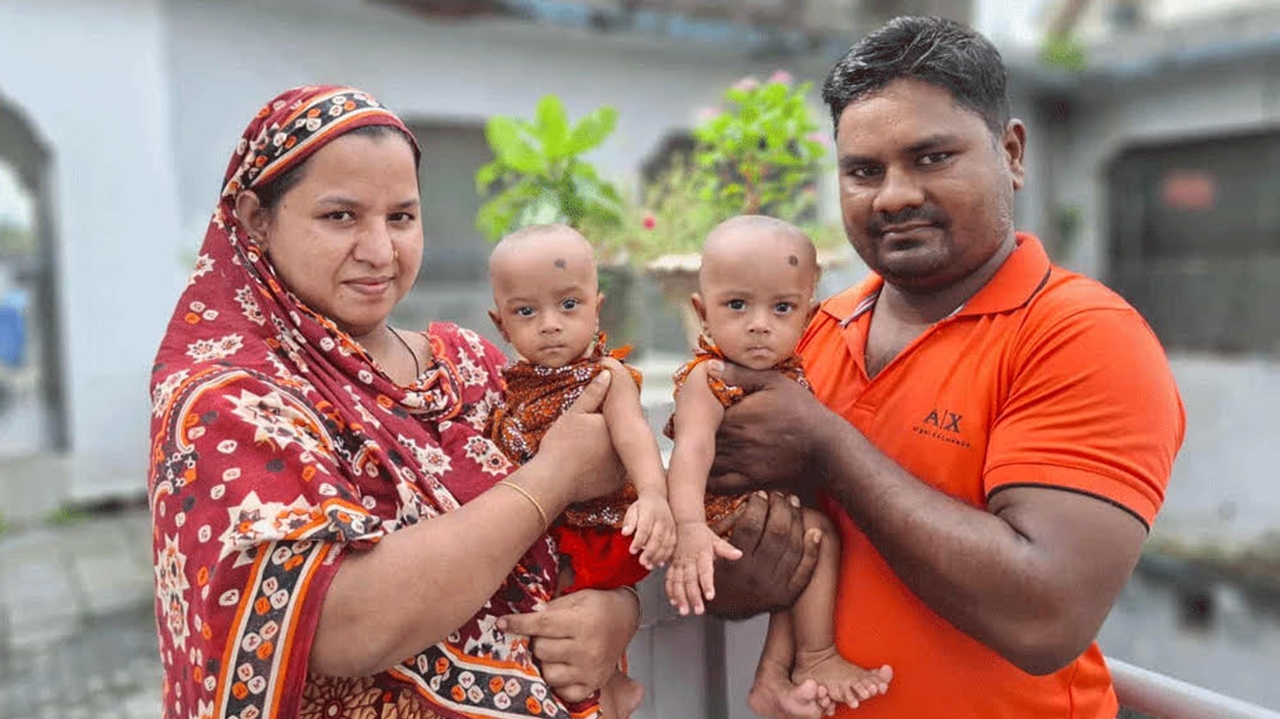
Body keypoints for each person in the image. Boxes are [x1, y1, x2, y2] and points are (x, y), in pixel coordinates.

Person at [702, 17, 1186, 719]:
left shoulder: (1081, 335)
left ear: (1012, 153)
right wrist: (741, 571)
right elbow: (728, 579)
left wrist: (828, 444)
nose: (893, 194)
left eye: (931, 157)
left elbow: (1043, 617)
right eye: (863, 170)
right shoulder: (807, 334)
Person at [148, 85, 639, 719]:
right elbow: (347, 626)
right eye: (340, 217)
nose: (381, 251)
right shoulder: (227, 399)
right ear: (255, 219)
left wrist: (615, 612)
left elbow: (593, 530)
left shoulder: (470, 364)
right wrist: (555, 475)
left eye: (401, 217)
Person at [662, 215, 892, 715]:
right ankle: (816, 655)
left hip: (774, 510)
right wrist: (688, 527)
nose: (759, 323)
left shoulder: (794, 373)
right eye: (737, 305)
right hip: (720, 517)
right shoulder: (709, 376)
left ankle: (799, 663)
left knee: (814, 542)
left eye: (781, 308)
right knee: (817, 538)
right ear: (702, 311)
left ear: (807, 317)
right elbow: (692, 450)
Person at [486, 223, 676, 718]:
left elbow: (636, 437)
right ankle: (612, 688)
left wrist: (655, 496)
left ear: (597, 306)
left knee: (570, 610)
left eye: (568, 306)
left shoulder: (605, 375)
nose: (550, 324)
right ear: (501, 324)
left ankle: (611, 687)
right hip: (547, 527)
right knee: (554, 622)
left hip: (598, 529)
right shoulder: (512, 386)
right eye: (526, 311)